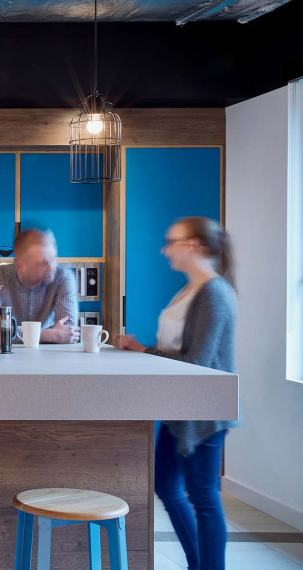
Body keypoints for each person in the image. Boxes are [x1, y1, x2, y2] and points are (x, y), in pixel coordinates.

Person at [118, 216, 239, 570]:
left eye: (172, 242)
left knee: (203, 498)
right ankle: (198, 563)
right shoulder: (190, 289)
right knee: (169, 488)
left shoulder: (213, 292)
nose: (164, 249)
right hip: (179, 405)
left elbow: (197, 360)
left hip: (203, 411)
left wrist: (143, 351)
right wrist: (143, 351)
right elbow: (179, 349)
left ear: (195, 245)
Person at [0, 229, 79, 344]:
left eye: (53, 259)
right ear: (21, 265)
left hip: (50, 357)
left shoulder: (63, 277)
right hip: (5, 357)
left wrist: (12, 333)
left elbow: (68, 332)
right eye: (43, 263)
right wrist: (50, 335)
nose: (51, 268)